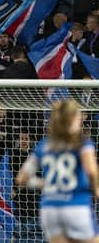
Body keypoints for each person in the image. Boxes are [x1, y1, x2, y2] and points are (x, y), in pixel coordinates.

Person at [16, 100, 99, 243]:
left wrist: (45, 183)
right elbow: (91, 171)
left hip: (50, 209)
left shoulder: (43, 145)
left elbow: (21, 179)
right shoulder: (82, 143)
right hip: (76, 205)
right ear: (72, 119)